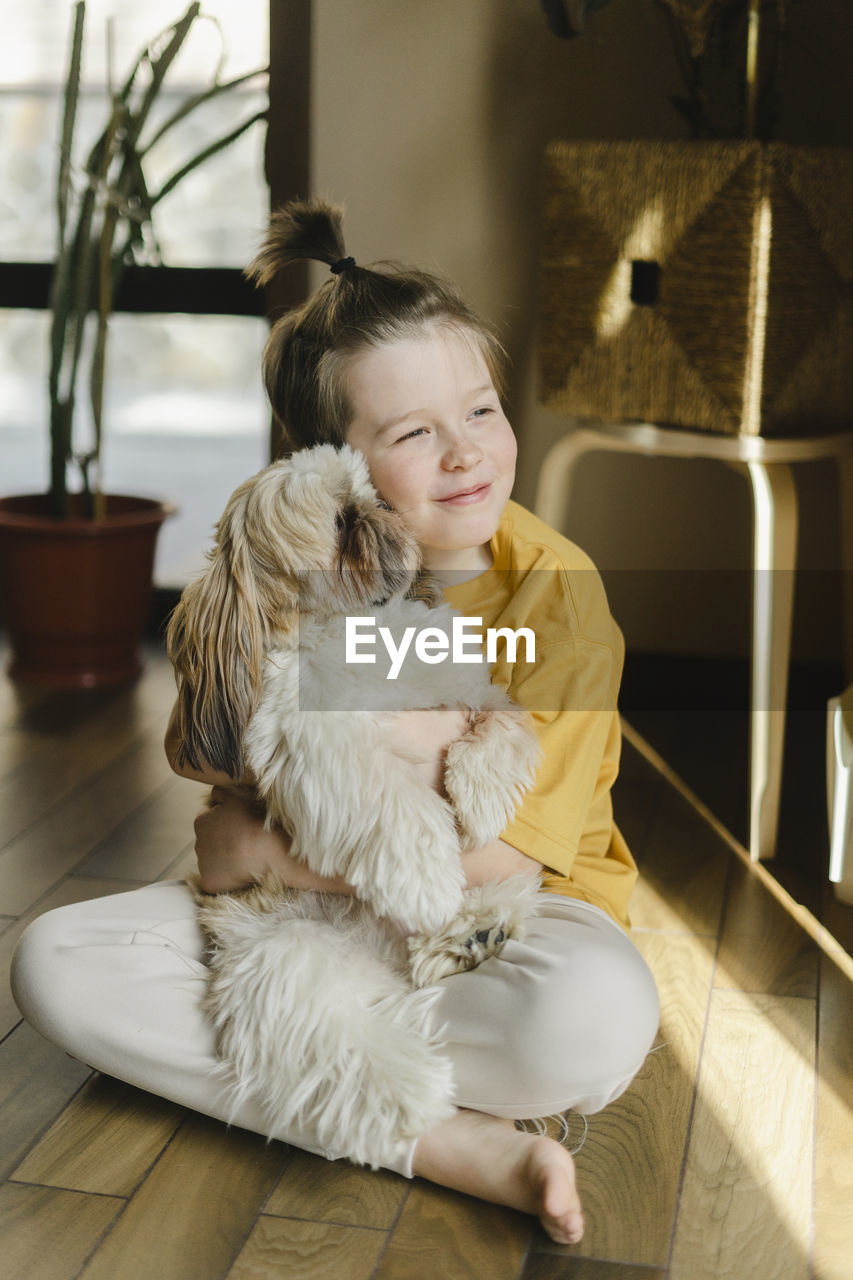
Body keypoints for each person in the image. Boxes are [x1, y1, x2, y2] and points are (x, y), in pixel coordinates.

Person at [11, 198, 659, 1246]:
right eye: (414, 432)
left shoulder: (556, 590)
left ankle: (346, 1081)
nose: (466, 452)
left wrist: (258, 845)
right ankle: (449, 1136)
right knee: (53, 963)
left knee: (592, 1020)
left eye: (481, 410)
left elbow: (491, 858)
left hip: (503, 925)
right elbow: (208, 737)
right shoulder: (283, 561)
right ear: (331, 469)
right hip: (304, 934)